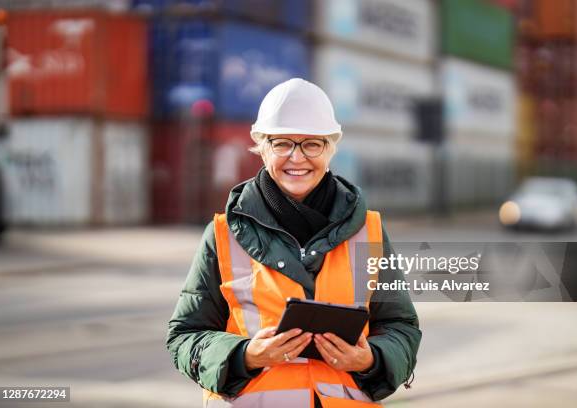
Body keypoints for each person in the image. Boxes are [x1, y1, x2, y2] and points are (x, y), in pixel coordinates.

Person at [166, 78, 421, 407]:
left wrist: (370, 359)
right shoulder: (222, 235)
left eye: (312, 144)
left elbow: (401, 326)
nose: (297, 158)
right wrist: (245, 355)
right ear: (261, 146)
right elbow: (184, 336)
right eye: (282, 143)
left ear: (330, 148)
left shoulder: (369, 232)